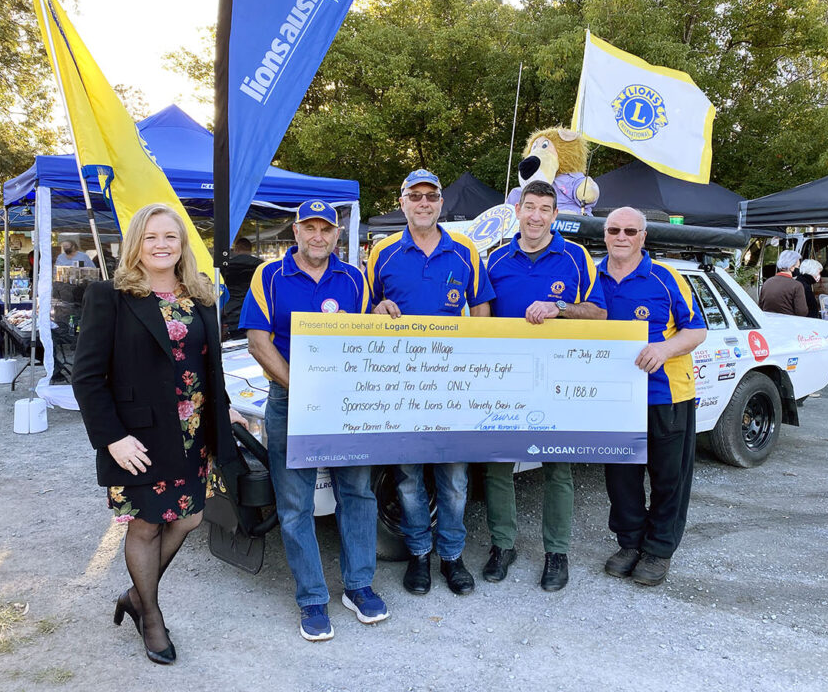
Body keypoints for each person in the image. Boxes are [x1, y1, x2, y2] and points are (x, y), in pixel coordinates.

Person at [72, 203, 247, 665]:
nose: (161, 244)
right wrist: (111, 437)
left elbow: (209, 367)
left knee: (189, 518)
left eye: (170, 236)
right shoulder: (110, 295)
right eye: (151, 237)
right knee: (146, 525)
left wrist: (224, 412)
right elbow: (87, 376)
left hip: (193, 434)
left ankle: (134, 594)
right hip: (137, 439)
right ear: (136, 243)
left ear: (182, 243)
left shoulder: (201, 296)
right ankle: (151, 616)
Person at [239, 200, 386, 642]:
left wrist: (382, 317)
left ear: (336, 236)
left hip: (345, 402)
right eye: (310, 228)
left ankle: (358, 586)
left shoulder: (356, 279)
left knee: (357, 491)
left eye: (326, 229)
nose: (318, 236)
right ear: (296, 231)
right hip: (290, 400)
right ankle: (312, 597)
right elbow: (257, 341)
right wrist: (299, 386)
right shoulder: (269, 275)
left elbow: (366, 338)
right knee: (295, 502)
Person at [367, 168, 494, 596]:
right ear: (401, 201)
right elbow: (364, 313)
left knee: (455, 481)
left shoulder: (465, 252)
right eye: (414, 195)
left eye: (431, 196)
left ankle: (452, 557)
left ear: (441, 203)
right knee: (407, 479)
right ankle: (419, 554)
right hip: (400, 388)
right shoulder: (381, 253)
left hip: (453, 389)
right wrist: (377, 310)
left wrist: (475, 372)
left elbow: (481, 314)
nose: (423, 203)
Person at [483, 180, 607, 591]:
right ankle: (503, 544)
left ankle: (557, 552)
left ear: (555, 215)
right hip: (505, 381)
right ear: (517, 211)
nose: (536, 215)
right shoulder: (495, 260)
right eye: (529, 206)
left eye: (545, 209)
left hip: (559, 382)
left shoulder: (576, 258)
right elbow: (478, 319)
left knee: (558, 467)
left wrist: (561, 308)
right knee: (498, 465)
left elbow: (599, 313)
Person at [597, 207, 707, 586]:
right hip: (613, 398)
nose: (621, 236)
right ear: (605, 234)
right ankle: (629, 543)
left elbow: (697, 330)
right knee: (621, 477)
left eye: (630, 230)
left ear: (644, 236)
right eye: (614, 229)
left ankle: (659, 550)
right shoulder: (591, 278)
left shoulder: (666, 277)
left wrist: (663, 350)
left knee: (668, 478)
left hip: (667, 395)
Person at [220, 236, 263, 339]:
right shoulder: (260, 265)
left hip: (230, 310)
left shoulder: (225, 266)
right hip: (253, 310)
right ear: (250, 249)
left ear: (236, 249)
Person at [758, 251, 807, 316]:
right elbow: (802, 312)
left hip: (769, 322)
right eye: (798, 267)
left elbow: (760, 306)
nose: (798, 269)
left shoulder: (767, 282)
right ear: (792, 267)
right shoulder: (797, 285)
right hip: (789, 323)